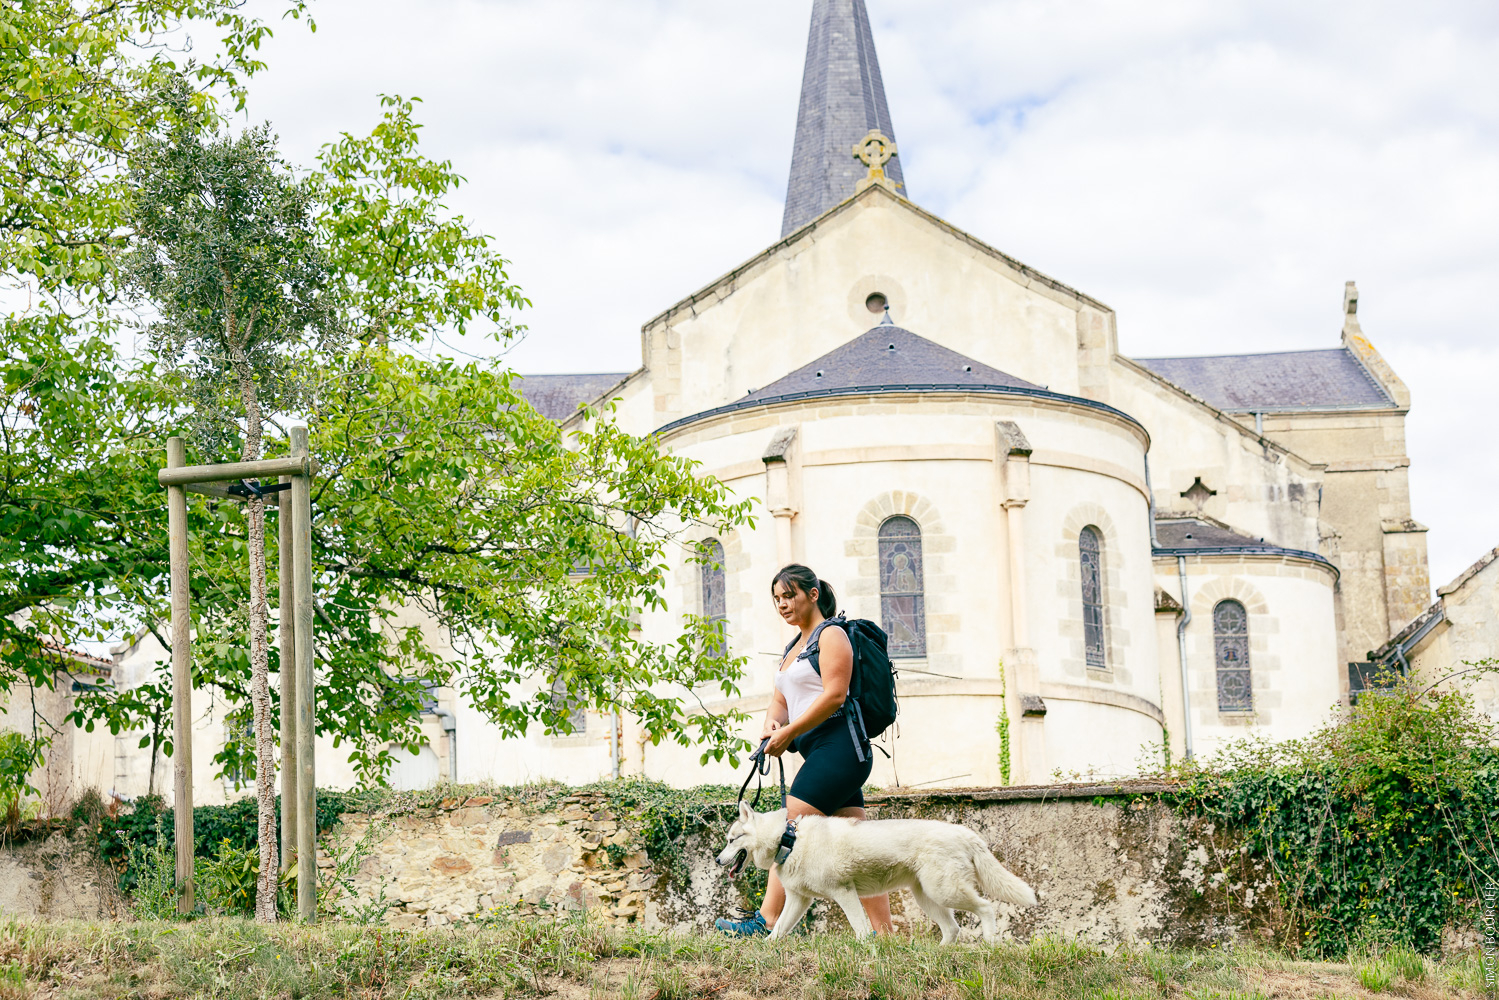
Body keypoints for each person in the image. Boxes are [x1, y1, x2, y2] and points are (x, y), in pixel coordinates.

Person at [715, 564, 894, 937]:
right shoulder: (792, 648)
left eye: (789, 595)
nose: (782, 604)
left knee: (784, 832)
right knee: (859, 845)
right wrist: (771, 726)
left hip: (841, 748)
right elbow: (780, 699)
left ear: (812, 595)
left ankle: (765, 923)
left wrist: (789, 733)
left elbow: (835, 695)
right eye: (777, 598)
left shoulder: (831, 636)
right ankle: (885, 933)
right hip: (820, 752)